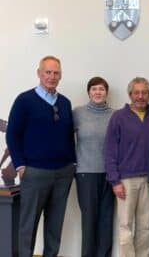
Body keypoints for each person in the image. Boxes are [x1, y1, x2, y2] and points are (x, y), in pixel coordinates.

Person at [6, 55, 76, 257]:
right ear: (39, 73)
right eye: (48, 72)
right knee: (28, 225)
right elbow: (12, 134)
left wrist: (72, 163)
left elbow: (68, 135)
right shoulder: (24, 100)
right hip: (35, 172)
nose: (52, 77)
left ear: (60, 76)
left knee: (55, 225)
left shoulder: (64, 103)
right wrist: (20, 165)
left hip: (63, 173)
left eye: (56, 73)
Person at [105, 77, 149, 257]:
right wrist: (115, 181)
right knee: (125, 225)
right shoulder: (118, 117)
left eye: (144, 92)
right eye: (137, 92)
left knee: (145, 226)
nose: (140, 96)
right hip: (125, 180)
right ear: (130, 95)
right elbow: (110, 150)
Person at [73, 77, 114, 257]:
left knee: (106, 221)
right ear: (88, 92)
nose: (98, 92)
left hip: (109, 175)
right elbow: (65, 139)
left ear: (107, 93)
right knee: (89, 221)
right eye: (94, 89)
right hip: (85, 173)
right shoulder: (78, 113)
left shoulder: (115, 114)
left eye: (101, 89)